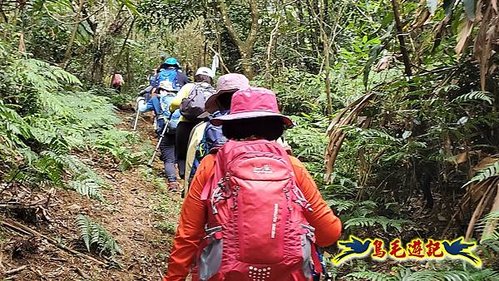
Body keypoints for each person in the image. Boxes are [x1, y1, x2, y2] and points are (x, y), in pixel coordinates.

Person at [163, 88, 342, 281]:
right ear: (276, 126)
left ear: (230, 125)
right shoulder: (293, 167)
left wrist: (174, 277)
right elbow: (329, 233)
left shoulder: (211, 165)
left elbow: (188, 236)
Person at [182, 73, 250, 195]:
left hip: (218, 202)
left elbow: (192, 168)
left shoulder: (202, 128)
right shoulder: (267, 128)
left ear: (217, 101)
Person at [169, 67, 214, 181]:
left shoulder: (189, 87)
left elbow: (175, 102)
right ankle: (199, 178)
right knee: (202, 154)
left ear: (196, 76)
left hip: (185, 124)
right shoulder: (214, 91)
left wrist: (171, 109)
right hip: (203, 126)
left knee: (182, 155)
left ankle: (185, 178)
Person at [137, 81, 181, 191]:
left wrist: (140, 100)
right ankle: (181, 174)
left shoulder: (156, 99)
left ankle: (172, 181)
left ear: (160, 90)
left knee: (168, 158)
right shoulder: (179, 100)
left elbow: (142, 109)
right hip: (181, 130)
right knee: (178, 152)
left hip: (165, 131)